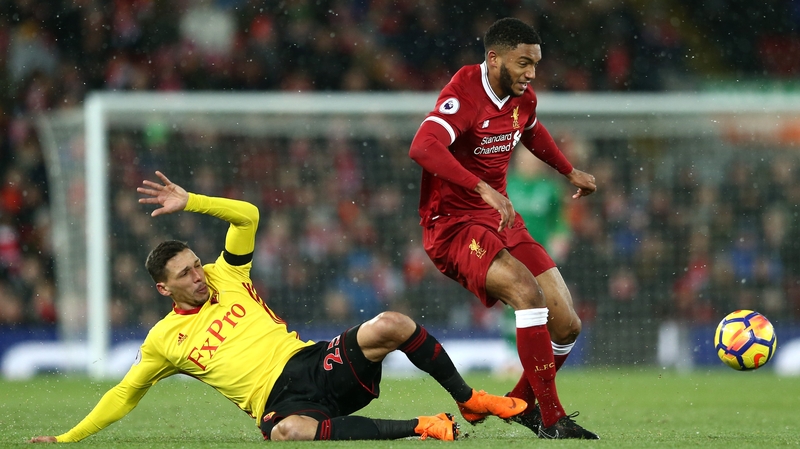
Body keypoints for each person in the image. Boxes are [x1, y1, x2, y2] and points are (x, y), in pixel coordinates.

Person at [30, 171, 526, 443]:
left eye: (197, 264)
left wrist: (194, 201)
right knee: (288, 434)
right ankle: (424, 426)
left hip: (311, 363)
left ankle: (467, 399)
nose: (199, 275)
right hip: (278, 403)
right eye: (184, 274)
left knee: (393, 323)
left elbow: (247, 215)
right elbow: (124, 394)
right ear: (164, 290)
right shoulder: (163, 342)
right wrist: (67, 439)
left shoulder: (229, 275)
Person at [408, 18, 599, 439]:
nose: (531, 73)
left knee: (567, 323)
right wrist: (482, 188)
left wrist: (568, 171)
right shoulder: (464, 92)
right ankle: (552, 418)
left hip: (502, 219)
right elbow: (423, 145)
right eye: (523, 63)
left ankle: (522, 405)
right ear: (494, 58)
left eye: (535, 64)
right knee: (527, 294)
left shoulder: (521, 96)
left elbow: (530, 129)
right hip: (454, 226)